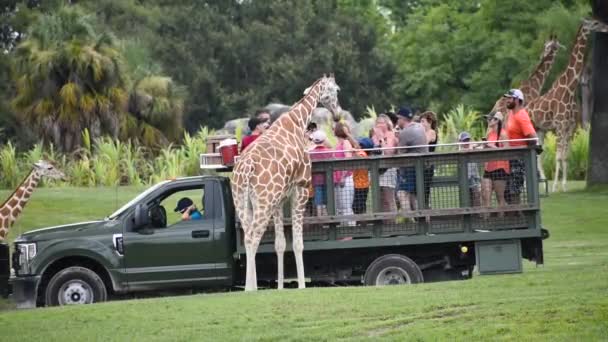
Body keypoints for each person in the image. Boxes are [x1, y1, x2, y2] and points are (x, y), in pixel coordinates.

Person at [503, 89, 537, 204]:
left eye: (509, 98)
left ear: (517, 100)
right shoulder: (512, 114)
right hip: (511, 158)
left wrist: (524, 153)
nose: (507, 100)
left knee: (514, 191)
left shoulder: (521, 116)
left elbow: (533, 138)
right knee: (507, 192)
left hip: (519, 159)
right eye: (506, 98)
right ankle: (518, 216)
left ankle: (520, 219)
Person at [396, 107, 428, 214]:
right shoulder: (420, 127)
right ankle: (422, 222)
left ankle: (410, 222)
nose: (397, 121)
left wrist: (397, 139)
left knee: (401, 193)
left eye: (398, 118)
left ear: (402, 119)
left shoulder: (405, 132)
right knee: (415, 196)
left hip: (411, 169)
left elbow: (400, 153)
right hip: (423, 167)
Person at [481, 112, 510, 218]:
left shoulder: (503, 134)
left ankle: (500, 221)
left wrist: (493, 147)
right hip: (488, 168)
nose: (488, 121)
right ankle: (486, 221)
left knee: (499, 197)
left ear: (497, 120)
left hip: (500, 168)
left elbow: (508, 150)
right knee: (485, 195)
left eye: (490, 119)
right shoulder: (489, 134)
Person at [371, 114, 398, 218]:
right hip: (376, 170)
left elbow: (389, 152)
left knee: (389, 198)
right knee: (379, 199)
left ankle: (393, 225)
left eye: (381, 123)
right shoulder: (373, 137)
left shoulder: (391, 135)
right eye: (377, 123)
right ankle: (382, 224)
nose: (379, 125)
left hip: (388, 170)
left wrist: (381, 139)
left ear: (387, 124)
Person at [333, 122, 356, 226]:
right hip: (337, 181)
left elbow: (348, 159)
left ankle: (350, 231)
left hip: (345, 179)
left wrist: (342, 176)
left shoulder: (346, 143)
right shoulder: (337, 144)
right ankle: (342, 230)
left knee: (346, 207)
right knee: (339, 207)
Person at [309, 130, 333, 217]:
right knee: (327, 200)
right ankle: (327, 217)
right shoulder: (329, 152)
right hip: (328, 180)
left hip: (316, 181)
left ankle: (320, 218)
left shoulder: (310, 153)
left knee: (318, 201)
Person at [420, 111, 438, 208]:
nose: (421, 124)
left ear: (429, 121)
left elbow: (423, 144)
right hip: (421, 164)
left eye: (423, 121)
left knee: (425, 190)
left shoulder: (431, 132)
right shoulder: (423, 132)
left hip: (428, 165)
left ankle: (427, 213)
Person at [458, 132, 481, 208]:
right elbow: (463, 150)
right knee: (466, 200)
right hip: (465, 179)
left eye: (468, 140)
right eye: (464, 141)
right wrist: (472, 147)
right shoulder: (459, 150)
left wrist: (475, 145)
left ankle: (478, 215)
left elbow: (481, 146)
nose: (466, 142)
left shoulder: (473, 148)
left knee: (476, 196)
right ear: (460, 142)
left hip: (474, 178)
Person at [352, 138, 372, 214]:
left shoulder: (362, 154)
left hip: (361, 186)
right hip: (360, 184)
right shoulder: (363, 153)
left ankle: (362, 223)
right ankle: (361, 222)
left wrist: (354, 151)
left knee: (358, 207)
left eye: (359, 144)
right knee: (359, 206)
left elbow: (361, 158)